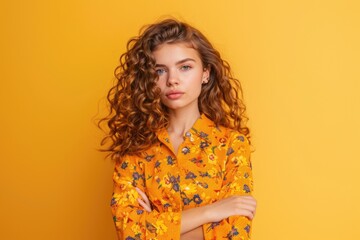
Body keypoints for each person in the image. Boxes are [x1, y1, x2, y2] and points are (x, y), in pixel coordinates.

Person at [100, 18, 257, 240]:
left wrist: (155, 225)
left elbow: (233, 233)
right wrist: (211, 212)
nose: (173, 80)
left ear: (205, 73)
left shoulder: (231, 144)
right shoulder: (135, 148)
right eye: (160, 70)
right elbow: (129, 232)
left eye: (185, 67)